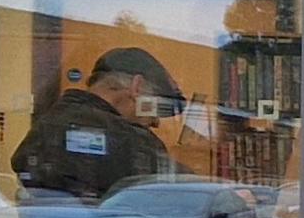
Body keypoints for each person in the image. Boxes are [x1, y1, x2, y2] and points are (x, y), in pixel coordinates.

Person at [11, 46, 181, 203]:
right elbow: (179, 194)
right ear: (137, 87)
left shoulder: (49, 125)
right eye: (157, 109)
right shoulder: (128, 140)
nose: (156, 122)